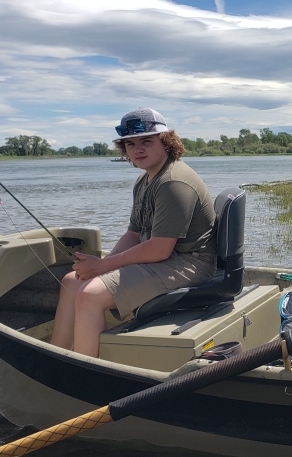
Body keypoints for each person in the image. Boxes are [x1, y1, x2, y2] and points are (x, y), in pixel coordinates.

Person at [50, 108, 217, 357]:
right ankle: (57, 355)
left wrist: (104, 267)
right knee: (73, 281)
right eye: (130, 144)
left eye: (146, 141)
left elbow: (160, 248)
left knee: (90, 294)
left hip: (189, 264)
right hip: (168, 259)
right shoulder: (145, 180)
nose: (138, 149)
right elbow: (134, 234)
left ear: (166, 142)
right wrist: (103, 264)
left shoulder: (173, 182)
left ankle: (87, 369)